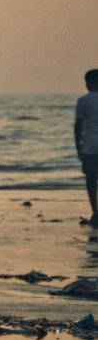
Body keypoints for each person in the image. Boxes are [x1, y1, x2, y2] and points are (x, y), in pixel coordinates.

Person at [77, 68, 98, 225]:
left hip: (90, 144)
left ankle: (96, 212)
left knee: (91, 180)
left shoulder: (83, 101)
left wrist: (78, 146)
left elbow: (78, 126)